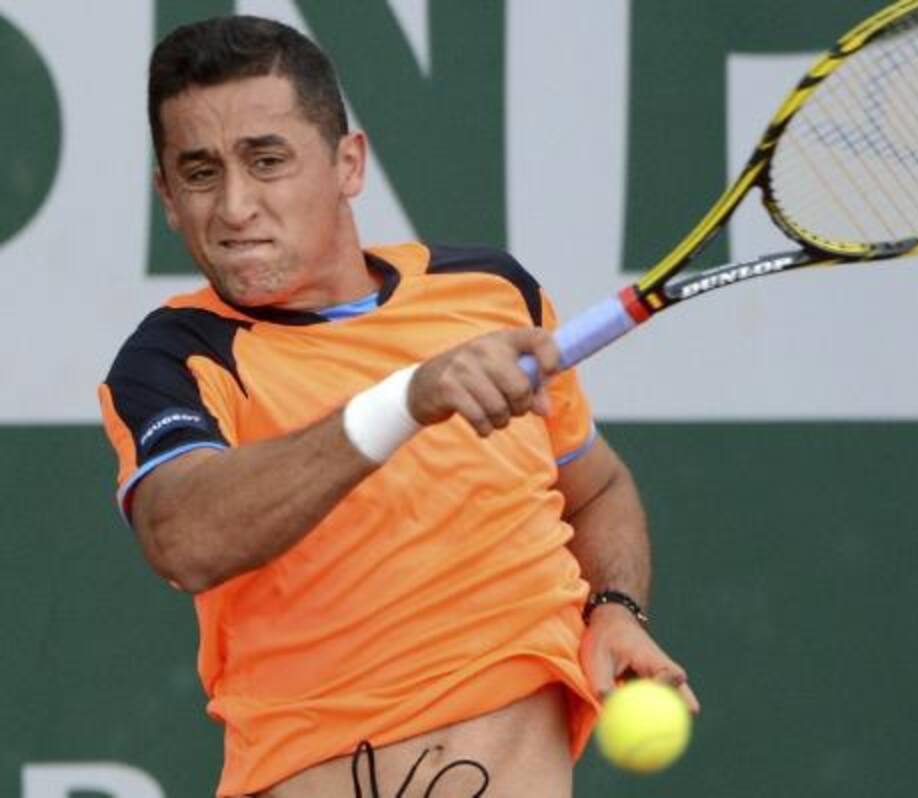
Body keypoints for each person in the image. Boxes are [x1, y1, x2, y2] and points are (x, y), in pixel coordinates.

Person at [97, 15, 698, 798]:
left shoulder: (490, 292)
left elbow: (597, 489)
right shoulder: (177, 358)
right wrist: (406, 401)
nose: (236, 206)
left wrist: (614, 609)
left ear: (348, 164)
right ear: (169, 198)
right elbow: (186, 540)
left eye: (267, 161)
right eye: (201, 173)